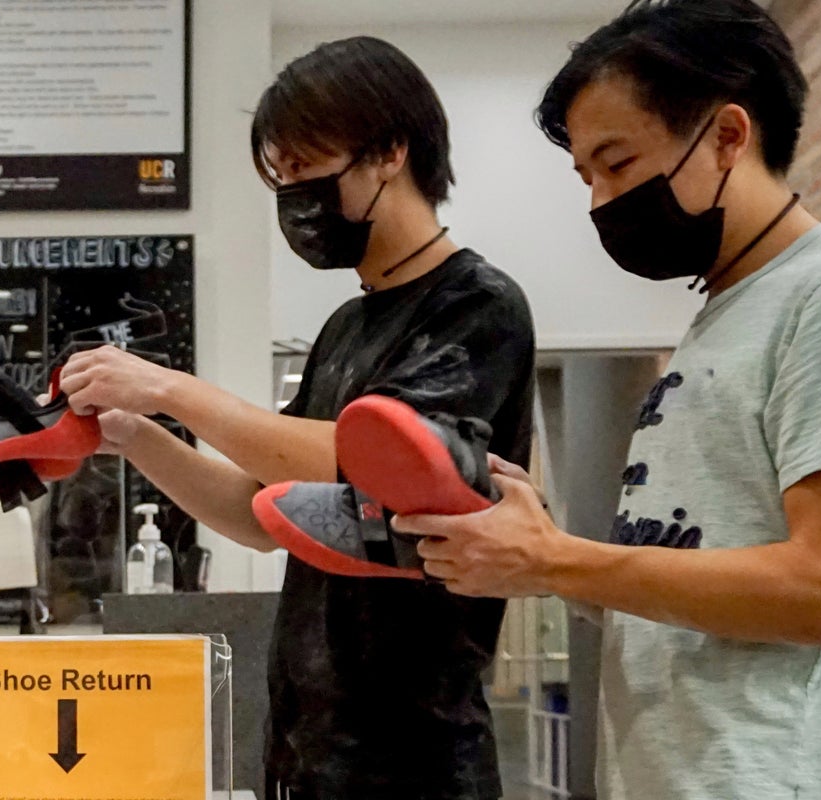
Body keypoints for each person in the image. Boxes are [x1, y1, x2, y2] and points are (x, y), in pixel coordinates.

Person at [393, 2, 821, 798]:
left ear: (728, 135)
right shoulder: (722, 316)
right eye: (586, 177)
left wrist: (557, 558)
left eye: (617, 163)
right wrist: (547, 556)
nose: (599, 203)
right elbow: (689, 580)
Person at [59, 37, 536, 799]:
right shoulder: (346, 328)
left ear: (390, 152)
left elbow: (387, 461)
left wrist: (172, 390)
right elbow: (261, 512)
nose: (294, 198)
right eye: (281, 179)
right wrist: (134, 436)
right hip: (305, 748)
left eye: (307, 168)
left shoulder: (477, 306)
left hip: (414, 757)